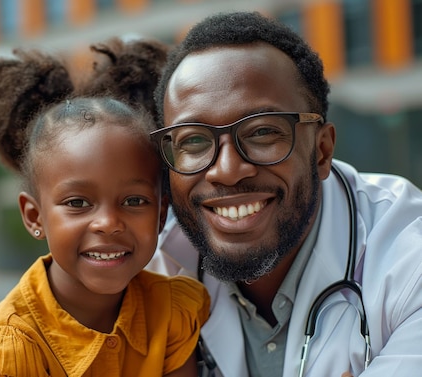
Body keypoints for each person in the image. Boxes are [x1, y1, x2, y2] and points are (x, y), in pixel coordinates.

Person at [146, 10, 422, 377]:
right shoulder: (146, 268)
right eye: (193, 140)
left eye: (262, 132)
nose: (227, 171)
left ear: (322, 151)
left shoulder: (409, 263)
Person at [0, 37, 210, 377]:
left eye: (134, 201)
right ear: (34, 216)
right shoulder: (18, 345)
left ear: (160, 213)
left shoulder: (173, 312)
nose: (109, 223)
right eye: (78, 203)